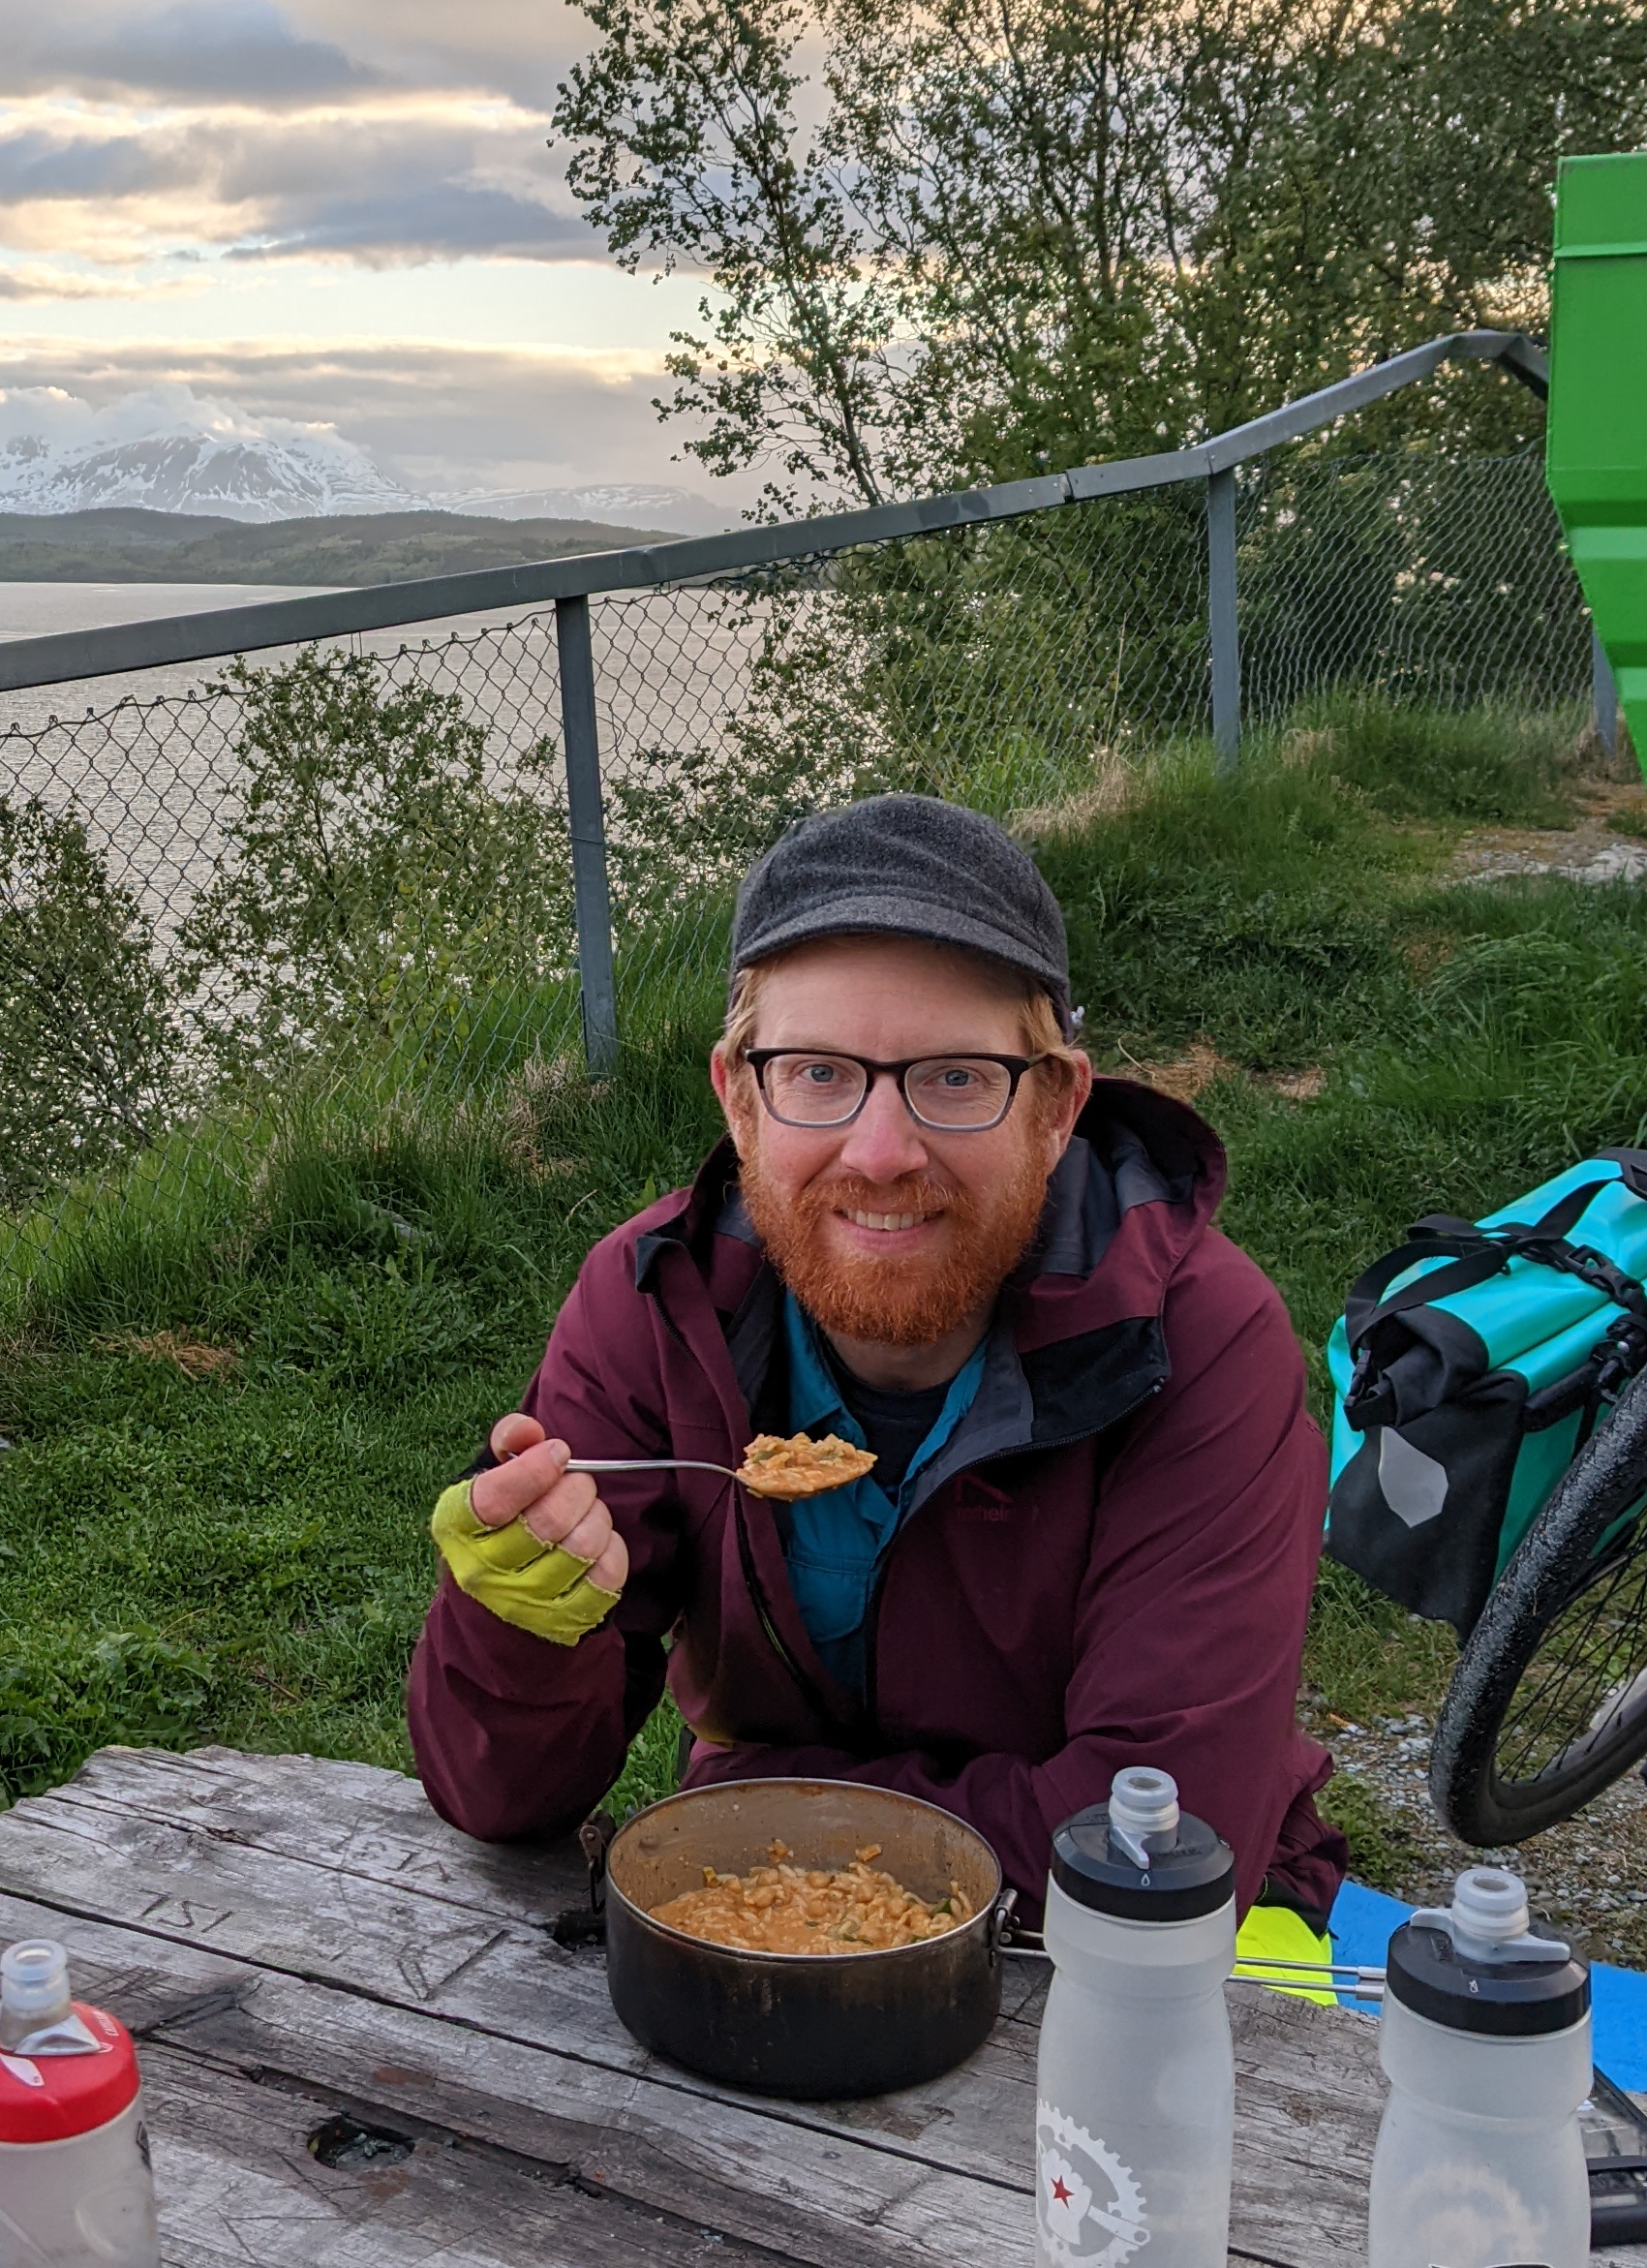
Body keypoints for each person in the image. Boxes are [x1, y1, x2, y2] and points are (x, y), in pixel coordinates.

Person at [409, 792, 1342, 1919]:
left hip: (1104, 1966)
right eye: (817, 1073)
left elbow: (1159, 1846)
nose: (883, 1151)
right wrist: (515, 1622)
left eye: (955, 1077)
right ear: (739, 1100)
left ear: (1056, 1108)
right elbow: (503, 1800)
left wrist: (757, 1801)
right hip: (765, 1924)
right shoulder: (657, 1302)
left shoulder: (1196, 1343)